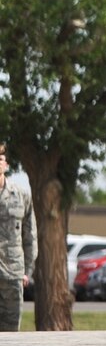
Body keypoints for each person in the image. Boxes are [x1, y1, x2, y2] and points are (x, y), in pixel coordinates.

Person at [0, 141, 35, 332]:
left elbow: (30, 236)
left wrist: (27, 270)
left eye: (0, 159)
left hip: (12, 274)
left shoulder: (21, 195)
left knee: (11, 334)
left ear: (6, 164)